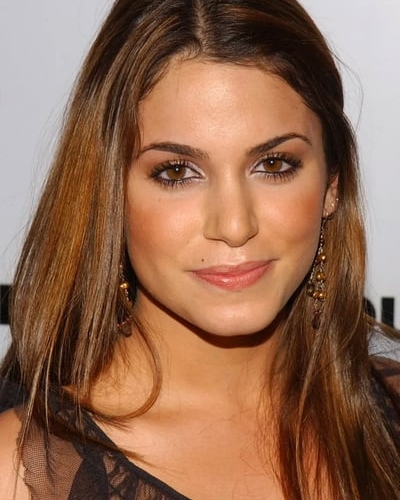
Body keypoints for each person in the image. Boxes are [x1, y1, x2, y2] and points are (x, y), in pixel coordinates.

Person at [0, 0, 399, 498]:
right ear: (109, 194)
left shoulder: (391, 413)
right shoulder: (17, 472)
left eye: (274, 164)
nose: (234, 225)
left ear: (332, 184)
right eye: (176, 172)